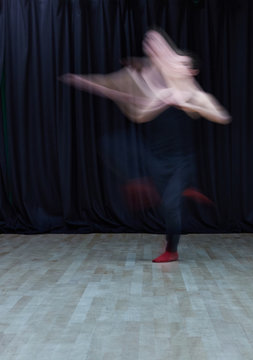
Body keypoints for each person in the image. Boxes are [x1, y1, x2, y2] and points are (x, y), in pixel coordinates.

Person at [61, 29, 231, 263]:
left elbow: (222, 117)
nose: (177, 65)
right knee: (111, 145)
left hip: (180, 162)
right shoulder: (160, 90)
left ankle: (171, 249)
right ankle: (175, 189)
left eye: (183, 63)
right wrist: (160, 100)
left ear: (192, 71)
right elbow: (139, 115)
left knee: (171, 206)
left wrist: (187, 102)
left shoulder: (195, 96)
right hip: (155, 159)